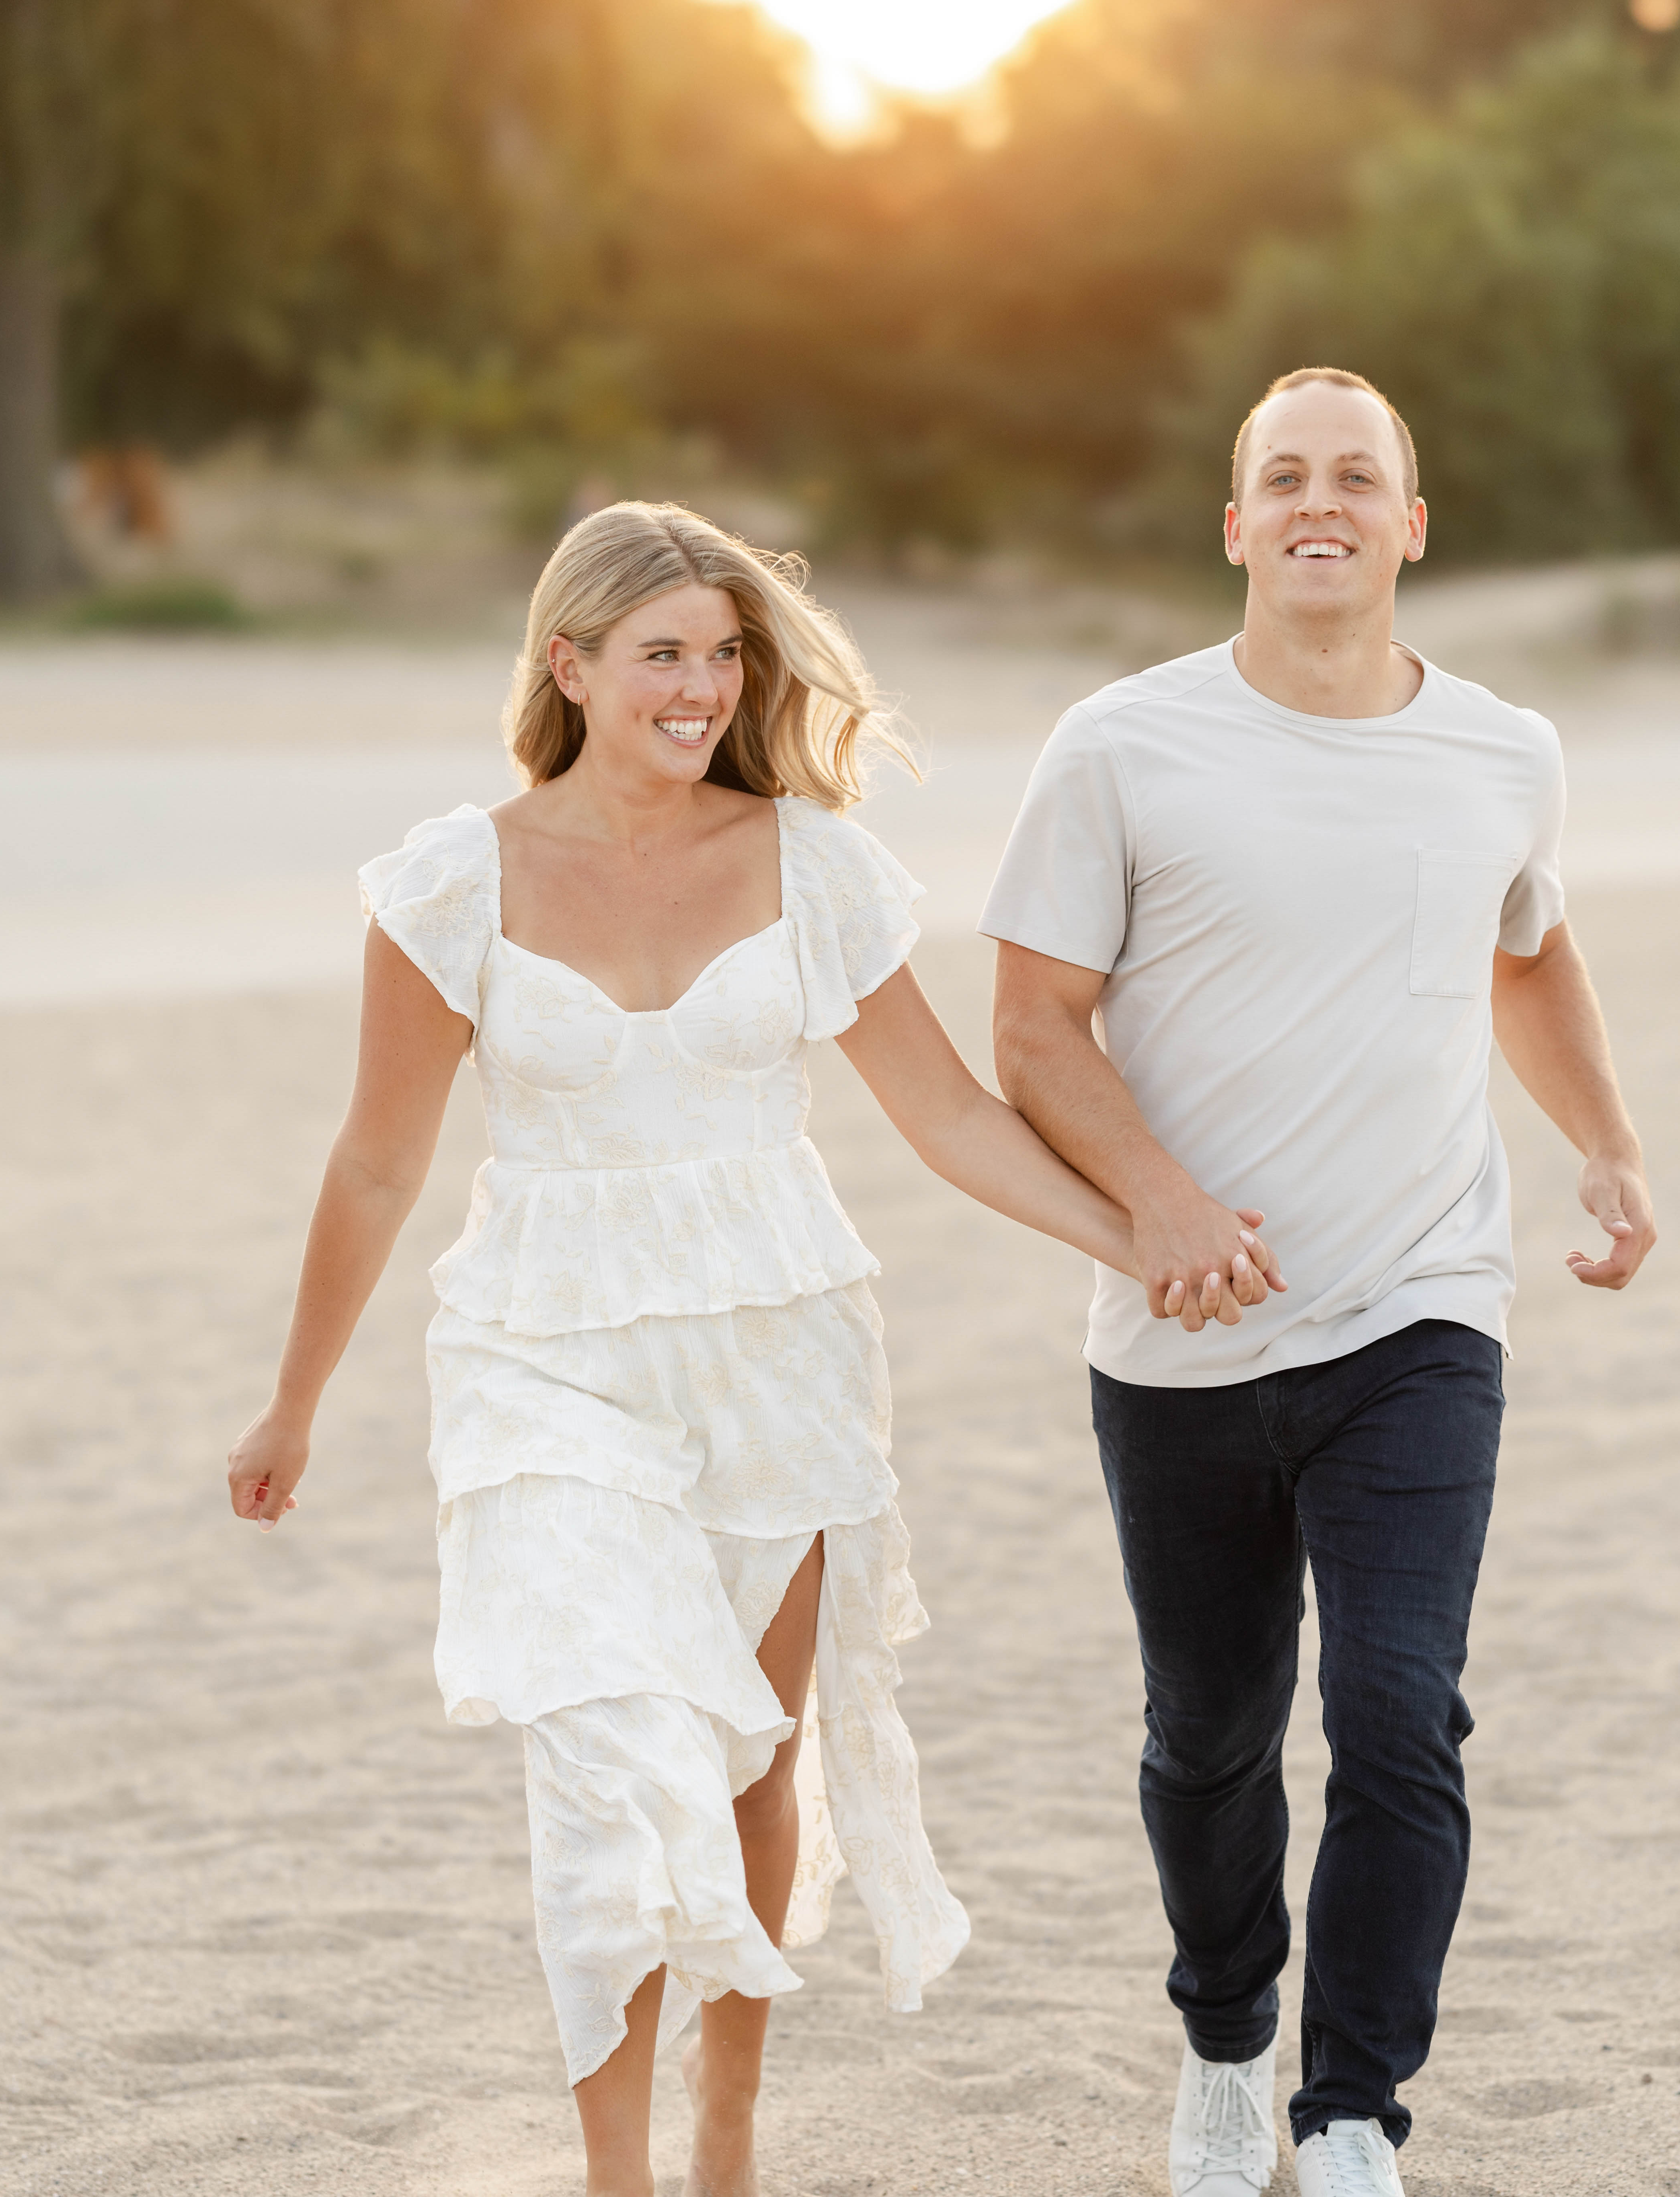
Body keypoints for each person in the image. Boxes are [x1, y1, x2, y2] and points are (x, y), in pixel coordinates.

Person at [222, 501, 1280, 2197]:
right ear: (568, 665)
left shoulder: (807, 862)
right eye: (663, 654)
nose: (702, 688)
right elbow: (373, 1165)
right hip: (542, 1353)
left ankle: (723, 2133)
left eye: (724, 654)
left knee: (748, 1762)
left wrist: (1143, 1237)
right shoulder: (453, 882)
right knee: (607, 1760)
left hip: (775, 1343)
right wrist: (294, 1401)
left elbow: (947, 1116)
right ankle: (615, 2176)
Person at [981, 368, 1657, 2197]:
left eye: (1356, 476)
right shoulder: (1121, 745)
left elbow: (1530, 949)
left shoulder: (1503, 751)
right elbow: (1031, 1028)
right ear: (1235, 526)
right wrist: (1163, 1204)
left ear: (1410, 525)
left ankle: (1352, 2110)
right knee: (1207, 1737)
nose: (1319, 502)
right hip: (1179, 1338)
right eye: (1283, 476)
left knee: (1396, 1710)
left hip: (1420, 1311)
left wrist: (1605, 1142)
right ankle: (1225, 2043)